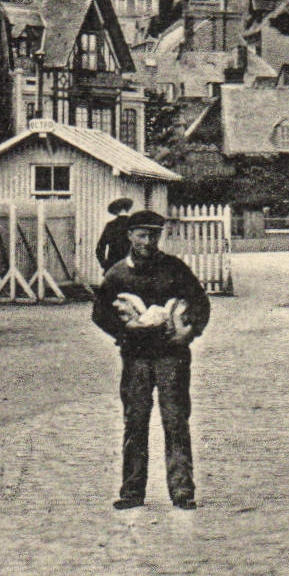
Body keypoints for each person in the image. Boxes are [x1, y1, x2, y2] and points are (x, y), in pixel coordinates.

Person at [91, 211, 211, 510]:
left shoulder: (175, 269)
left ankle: (182, 490)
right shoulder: (117, 274)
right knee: (135, 422)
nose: (148, 242)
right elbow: (100, 313)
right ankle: (132, 491)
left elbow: (200, 303)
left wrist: (189, 332)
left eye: (154, 235)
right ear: (129, 236)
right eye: (142, 235)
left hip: (172, 357)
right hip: (136, 359)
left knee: (175, 422)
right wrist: (123, 329)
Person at [95, 197, 135, 273]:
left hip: (113, 266)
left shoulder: (110, 225)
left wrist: (104, 263)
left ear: (116, 211)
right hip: (130, 265)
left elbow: (100, 247)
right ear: (128, 209)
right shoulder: (133, 224)